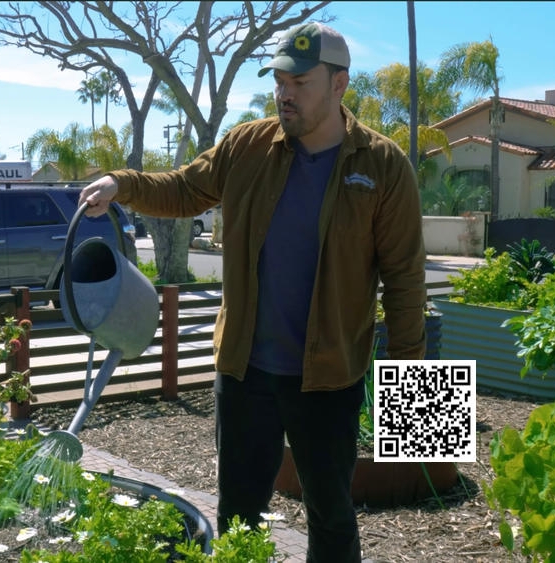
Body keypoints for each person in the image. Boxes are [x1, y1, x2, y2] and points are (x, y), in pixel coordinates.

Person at [79, 22, 426, 563]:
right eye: (280, 80)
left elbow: (406, 280)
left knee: (331, 517)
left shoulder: (382, 166)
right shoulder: (249, 145)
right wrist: (122, 184)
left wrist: (414, 406)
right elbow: (187, 188)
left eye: (301, 82)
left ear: (339, 86)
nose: (286, 92)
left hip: (329, 378)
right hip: (244, 373)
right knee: (240, 514)